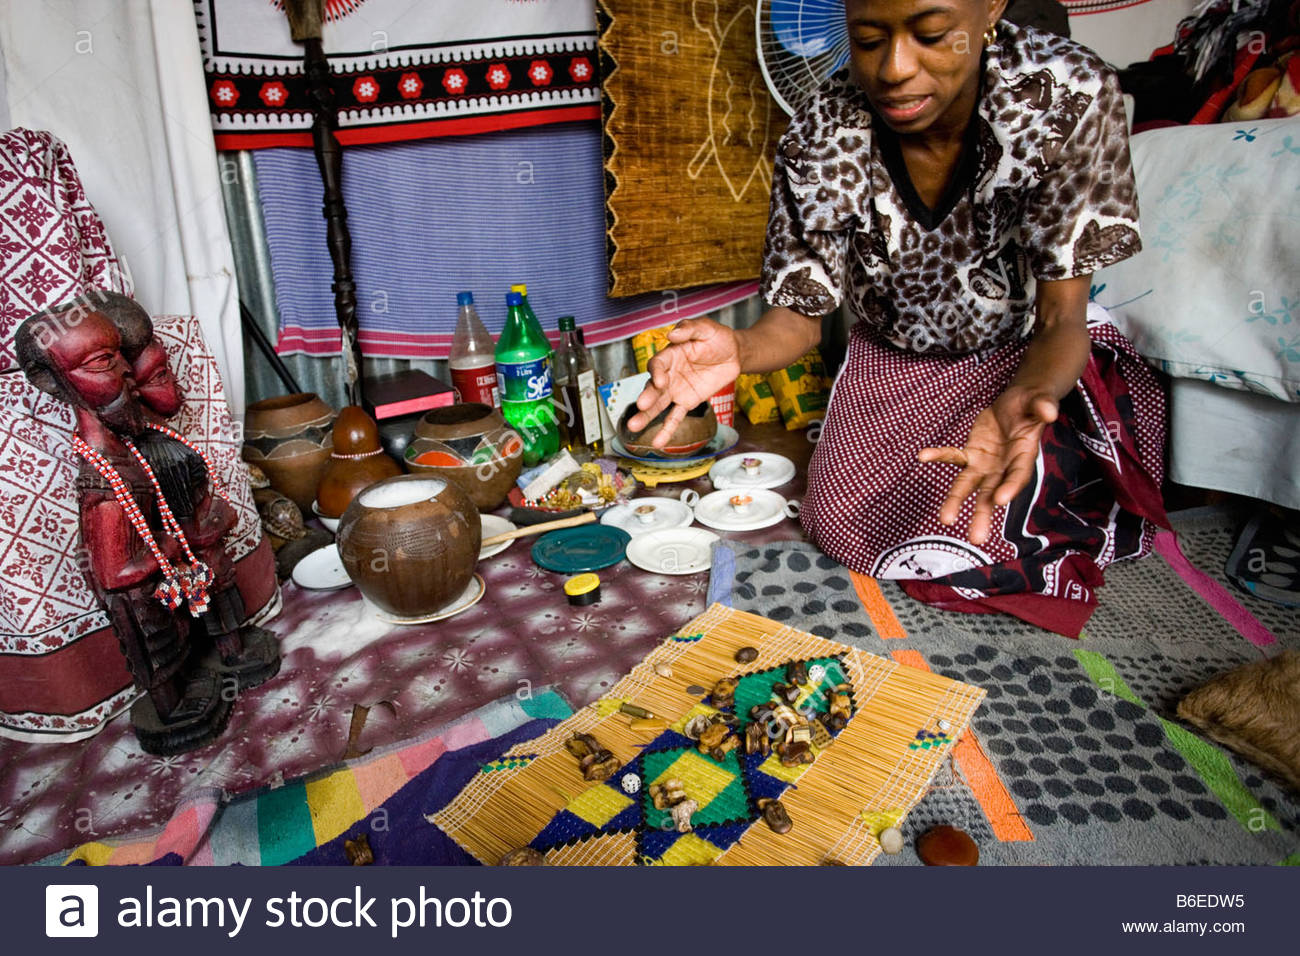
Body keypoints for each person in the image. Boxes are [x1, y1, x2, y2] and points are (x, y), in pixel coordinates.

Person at [631, 0, 1167, 636]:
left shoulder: (1066, 98)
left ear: (992, 8)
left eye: (932, 34)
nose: (894, 69)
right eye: (867, 38)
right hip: (890, 361)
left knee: (987, 537)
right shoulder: (821, 130)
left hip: (1028, 359)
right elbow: (800, 319)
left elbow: (1061, 320)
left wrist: (1032, 395)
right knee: (839, 527)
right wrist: (741, 351)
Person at [14, 304, 233, 753]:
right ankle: (172, 711)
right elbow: (114, 573)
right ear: (53, 381)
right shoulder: (103, 483)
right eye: (103, 362)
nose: (128, 372)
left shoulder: (126, 456)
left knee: (178, 643)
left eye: (119, 356)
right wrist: (170, 545)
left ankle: (187, 693)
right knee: (159, 663)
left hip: (157, 593)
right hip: (138, 607)